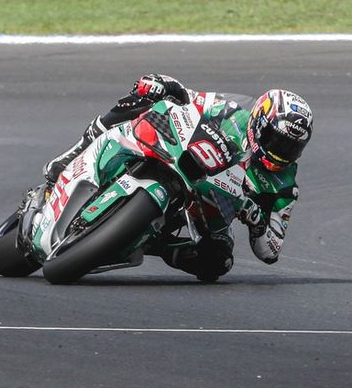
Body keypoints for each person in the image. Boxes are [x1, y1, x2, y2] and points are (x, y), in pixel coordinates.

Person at [42, 74, 313, 281]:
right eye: (276, 141)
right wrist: (162, 83)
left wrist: (256, 221)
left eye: (291, 147)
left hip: (212, 209)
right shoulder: (231, 110)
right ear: (259, 123)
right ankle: (74, 152)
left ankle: (155, 244)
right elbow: (188, 96)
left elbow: (271, 250)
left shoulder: (284, 185)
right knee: (143, 100)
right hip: (184, 161)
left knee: (218, 264)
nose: (281, 152)